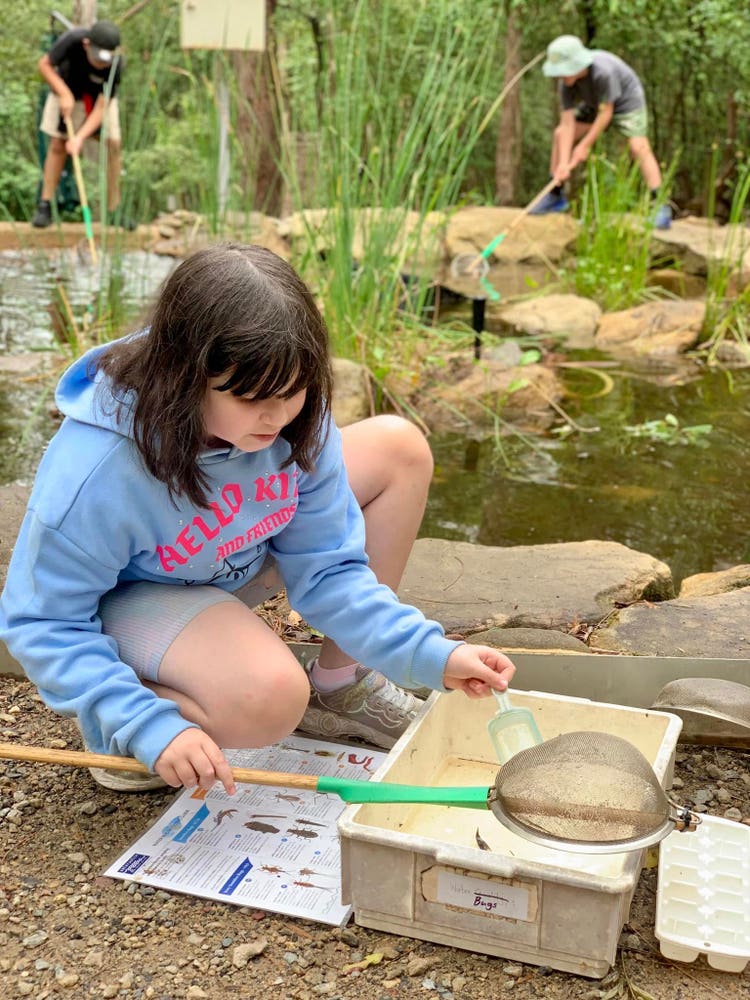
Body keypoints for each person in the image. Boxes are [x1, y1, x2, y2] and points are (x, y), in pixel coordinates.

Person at [0, 243, 517, 796]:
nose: (276, 416)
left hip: (223, 554)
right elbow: (42, 621)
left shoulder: (292, 421)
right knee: (270, 698)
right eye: (251, 398)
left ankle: (342, 684)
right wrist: (145, 723)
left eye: (293, 391)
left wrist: (433, 654)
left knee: (399, 448)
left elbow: (332, 573)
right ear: (184, 376)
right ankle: (123, 730)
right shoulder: (100, 469)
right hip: (135, 595)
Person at [531, 34, 672, 230]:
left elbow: (606, 113)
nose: (561, 76)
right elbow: (567, 124)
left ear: (578, 64)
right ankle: (556, 194)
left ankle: (660, 203)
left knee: (638, 146)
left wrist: (583, 146)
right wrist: (563, 163)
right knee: (559, 134)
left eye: (564, 71)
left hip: (625, 102)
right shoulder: (565, 83)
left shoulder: (603, 72)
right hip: (593, 104)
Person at [32, 19, 133, 230]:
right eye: (96, 58)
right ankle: (45, 205)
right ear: (87, 44)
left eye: (105, 59)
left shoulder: (116, 64)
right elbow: (44, 65)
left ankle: (114, 210)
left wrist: (79, 138)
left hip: (98, 100)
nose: (100, 64)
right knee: (58, 144)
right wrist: (64, 93)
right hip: (66, 92)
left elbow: (101, 107)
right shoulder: (71, 40)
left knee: (113, 145)